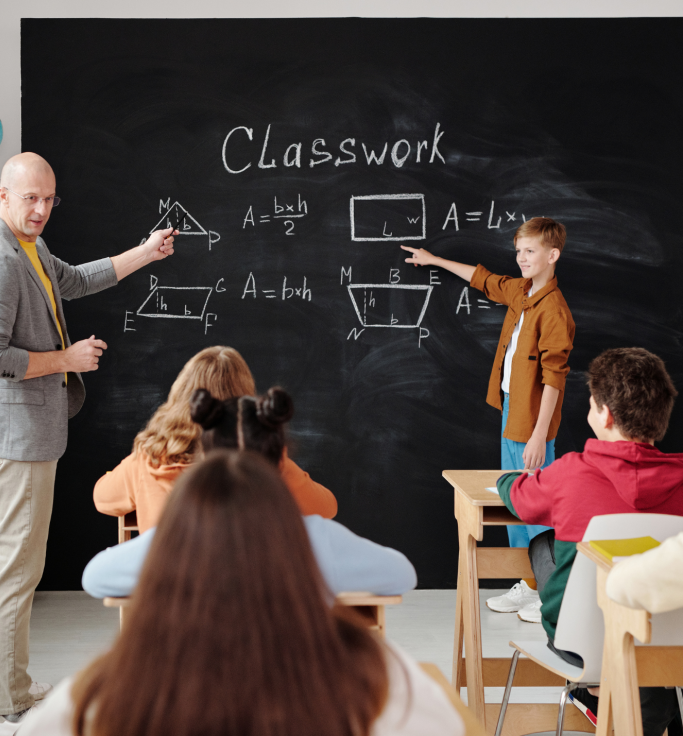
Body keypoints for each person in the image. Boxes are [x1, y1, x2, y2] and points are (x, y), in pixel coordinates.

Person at [19, 451, 459, 736]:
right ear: (291, 533)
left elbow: (97, 573)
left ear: (172, 547)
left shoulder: (100, 696)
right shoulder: (381, 681)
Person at [0, 152, 175, 724]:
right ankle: (11, 703)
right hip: (17, 434)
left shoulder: (28, 246)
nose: (41, 209)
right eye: (30, 198)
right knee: (16, 569)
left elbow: (75, 280)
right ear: (2, 195)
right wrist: (67, 359)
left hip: (18, 429)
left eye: (50, 198)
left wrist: (145, 253)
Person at [495, 347, 683, 735]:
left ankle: (597, 686)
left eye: (593, 403)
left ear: (605, 415)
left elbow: (521, 503)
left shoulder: (570, 472)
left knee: (542, 545)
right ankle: (638, 694)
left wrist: (505, 479)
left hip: (580, 642)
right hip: (667, 637)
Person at [82, 387, 416, 599]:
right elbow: (403, 574)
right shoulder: (316, 540)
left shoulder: (172, 541)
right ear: (279, 459)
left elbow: (95, 578)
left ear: (205, 457)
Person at [402, 217, 575, 619]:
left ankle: (548, 592)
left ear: (553, 255)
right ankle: (528, 582)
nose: (521, 258)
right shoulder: (523, 291)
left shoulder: (553, 310)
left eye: (530, 251)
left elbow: (554, 380)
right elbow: (484, 280)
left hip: (532, 420)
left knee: (536, 505)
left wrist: (538, 435)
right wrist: (434, 260)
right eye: (518, 251)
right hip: (512, 409)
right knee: (515, 498)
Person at [93, 345, 337, 532]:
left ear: (181, 394)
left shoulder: (150, 459)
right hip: (248, 591)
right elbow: (326, 508)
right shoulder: (267, 463)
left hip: (169, 589)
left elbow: (103, 499)